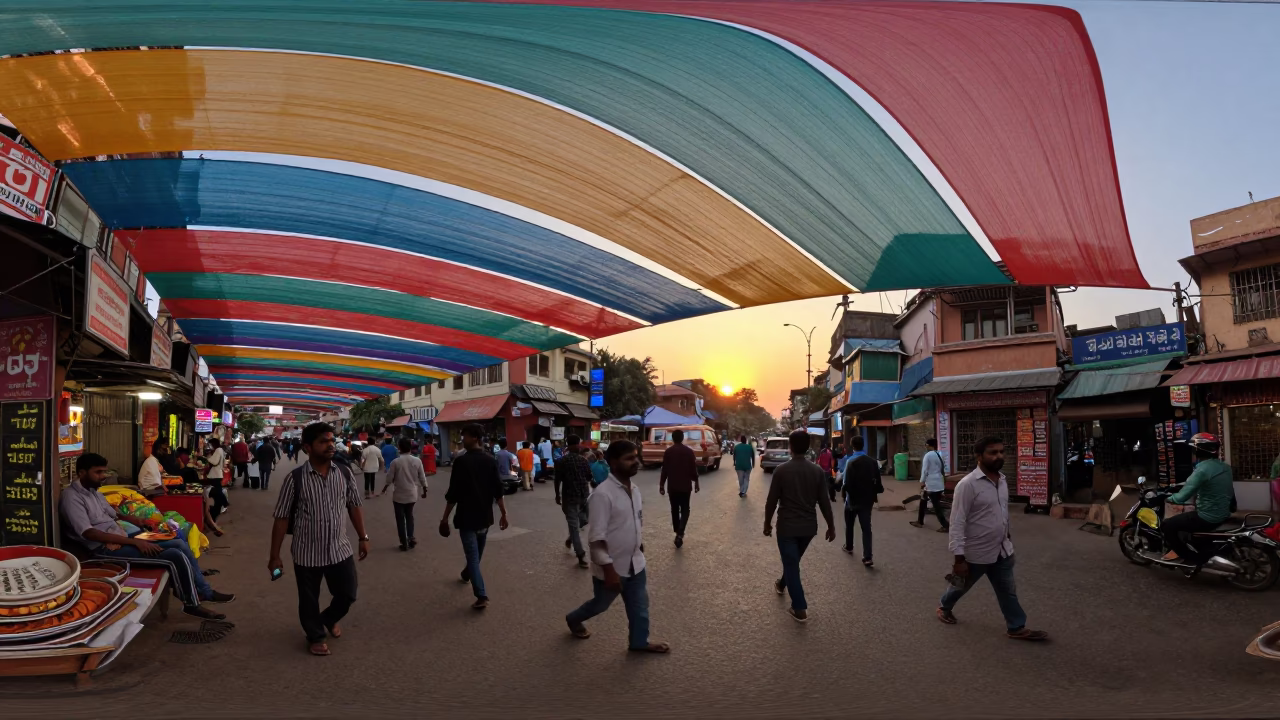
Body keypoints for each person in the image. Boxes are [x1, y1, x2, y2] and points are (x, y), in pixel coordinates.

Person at [62, 453, 234, 620]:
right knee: (174, 555)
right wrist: (136, 542)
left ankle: (204, 591)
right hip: (104, 549)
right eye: (98, 472)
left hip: (123, 536)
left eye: (104, 471)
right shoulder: (72, 497)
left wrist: (136, 520)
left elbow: (114, 514)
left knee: (177, 541)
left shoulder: (95, 492)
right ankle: (191, 603)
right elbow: (88, 532)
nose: (103, 476)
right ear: (82, 473)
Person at [269, 422, 370, 656]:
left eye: (331, 440)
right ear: (307, 447)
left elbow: (354, 504)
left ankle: (328, 618)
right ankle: (315, 635)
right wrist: (274, 556)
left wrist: (363, 536)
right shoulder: (294, 479)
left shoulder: (344, 473)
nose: (330, 445)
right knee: (308, 599)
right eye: (323, 442)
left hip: (339, 548)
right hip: (307, 551)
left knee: (347, 593)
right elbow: (281, 518)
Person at [937, 436, 1047, 641]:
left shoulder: (1002, 480)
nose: (999, 456)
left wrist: (1006, 533)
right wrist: (958, 559)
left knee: (1007, 590)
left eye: (1001, 452)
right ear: (979, 456)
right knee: (961, 586)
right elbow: (957, 522)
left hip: (1002, 549)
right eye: (992, 452)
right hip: (976, 552)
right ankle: (944, 606)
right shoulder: (967, 485)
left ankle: (1016, 627)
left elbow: (1001, 512)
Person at [564, 440, 669, 653]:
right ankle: (573, 618)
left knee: (640, 607)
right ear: (613, 462)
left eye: (636, 457)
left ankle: (639, 642)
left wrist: (639, 544)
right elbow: (596, 539)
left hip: (635, 563)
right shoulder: (603, 495)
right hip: (612, 568)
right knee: (600, 605)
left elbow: (633, 521)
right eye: (629, 458)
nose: (636, 462)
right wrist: (609, 570)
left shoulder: (635, 490)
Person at [764, 429, 835, 623]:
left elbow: (772, 501)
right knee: (792, 562)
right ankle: (781, 584)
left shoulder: (781, 470)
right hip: (808, 528)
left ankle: (799, 607)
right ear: (808, 447)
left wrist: (767, 523)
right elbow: (824, 502)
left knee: (791, 563)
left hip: (787, 527)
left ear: (791, 447)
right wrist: (831, 525)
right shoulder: (817, 471)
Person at [441, 423, 509, 610]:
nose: (462, 439)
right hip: (484, 517)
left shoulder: (462, 462)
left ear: (476, 439)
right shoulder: (489, 460)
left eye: (465, 436)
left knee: (474, 557)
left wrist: (445, 518)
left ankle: (481, 595)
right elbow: (498, 490)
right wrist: (503, 513)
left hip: (467, 518)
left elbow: (453, 493)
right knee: (475, 556)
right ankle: (467, 575)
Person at [1164, 433, 1235, 563]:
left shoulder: (1202, 470)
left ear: (1198, 450)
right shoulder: (1225, 467)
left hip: (1207, 516)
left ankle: (1189, 558)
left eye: (1193, 449)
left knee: (1168, 525)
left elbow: (1181, 497)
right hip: (1224, 513)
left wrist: (1168, 498)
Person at [381, 437, 430, 551]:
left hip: (399, 495)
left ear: (399, 448)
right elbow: (422, 478)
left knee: (400, 519)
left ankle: (404, 542)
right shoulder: (417, 461)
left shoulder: (396, 462)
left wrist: (384, 489)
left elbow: (389, 479)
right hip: (412, 494)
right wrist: (425, 491)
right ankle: (411, 537)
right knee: (410, 516)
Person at [840, 436, 881, 567]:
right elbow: (878, 483)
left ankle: (849, 546)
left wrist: (843, 494)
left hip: (852, 499)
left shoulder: (850, 461)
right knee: (866, 528)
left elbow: (845, 482)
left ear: (852, 446)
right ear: (863, 445)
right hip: (867, 500)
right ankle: (868, 557)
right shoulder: (873, 462)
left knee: (849, 524)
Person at [554, 435, 593, 568]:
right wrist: (557, 495)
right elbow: (557, 480)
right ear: (572, 446)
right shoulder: (565, 461)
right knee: (574, 525)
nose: (578, 446)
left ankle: (571, 538)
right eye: (576, 444)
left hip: (582, 496)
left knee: (584, 521)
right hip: (572, 497)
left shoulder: (582, 460)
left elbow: (589, 477)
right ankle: (581, 555)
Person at [659, 428, 699, 548]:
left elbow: (664, 469)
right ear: (682, 438)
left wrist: (661, 485)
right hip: (685, 487)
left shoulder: (668, 452)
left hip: (673, 487)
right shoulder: (689, 452)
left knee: (674, 509)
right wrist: (696, 482)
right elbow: (693, 469)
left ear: (673, 438)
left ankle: (677, 531)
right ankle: (680, 531)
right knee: (685, 509)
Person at [911, 438, 949, 532]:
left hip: (932, 483)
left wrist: (922, 481)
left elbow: (925, 470)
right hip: (938, 482)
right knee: (923, 500)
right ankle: (920, 521)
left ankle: (945, 525)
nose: (925, 446)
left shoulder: (928, 455)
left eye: (926, 444)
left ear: (928, 445)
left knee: (936, 506)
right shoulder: (939, 454)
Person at [197, 438, 229, 521]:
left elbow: (214, 462)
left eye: (210, 444)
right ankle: (220, 506)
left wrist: (206, 457)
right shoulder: (220, 450)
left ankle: (223, 504)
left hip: (215, 474)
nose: (209, 446)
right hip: (217, 474)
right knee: (217, 491)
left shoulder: (218, 450)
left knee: (216, 492)